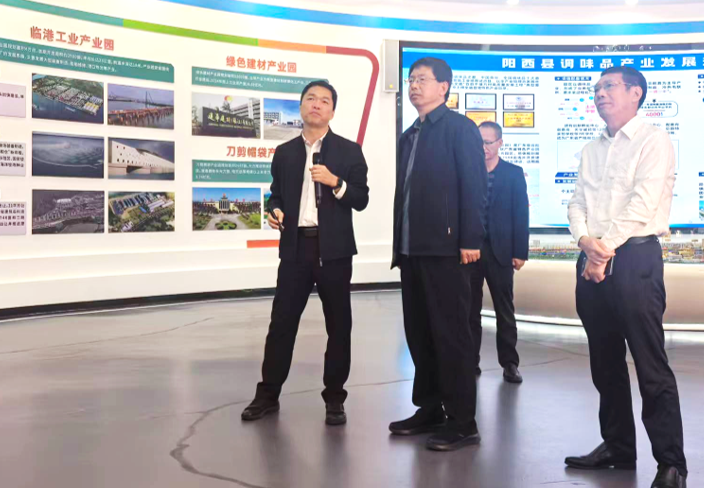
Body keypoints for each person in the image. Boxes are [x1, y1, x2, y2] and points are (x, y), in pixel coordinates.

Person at [565, 66, 686, 488]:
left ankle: (671, 464)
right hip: (592, 259)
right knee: (604, 363)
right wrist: (586, 242)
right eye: (597, 88)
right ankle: (617, 447)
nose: (600, 93)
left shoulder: (654, 141)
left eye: (609, 86)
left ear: (636, 93)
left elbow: (642, 204)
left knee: (650, 364)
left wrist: (602, 250)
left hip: (634, 259)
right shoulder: (590, 149)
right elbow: (576, 203)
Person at [241, 80, 369, 426]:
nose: (316, 104)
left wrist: (335, 182)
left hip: (335, 251)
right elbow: (277, 194)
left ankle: (335, 398)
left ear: (332, 111)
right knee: (281, 324)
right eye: (310, 98)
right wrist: (275, 209)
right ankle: (267, 395)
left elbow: (361, 198)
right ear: (300, 107)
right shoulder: (285, 152)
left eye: (324, 100)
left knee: (339, 326)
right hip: (295, 248)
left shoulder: (349, 151)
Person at [389, 57, 487, 451]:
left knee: (451, 336)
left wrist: (470, 239)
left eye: (422, 79)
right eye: (411, 79)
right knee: (420, 334)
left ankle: (463, 421)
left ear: (444, 87)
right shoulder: (409, 135)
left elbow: (475, 186)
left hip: (447, 251)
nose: (414, 85)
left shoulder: (460, 129)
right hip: (412, 250)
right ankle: (429, 409)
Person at [469, 121, 529, 383]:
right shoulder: (468, 171)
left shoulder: (513, 173)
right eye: (479, 142)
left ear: (500, 143)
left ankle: (510, 363)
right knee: (469, 310)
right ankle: (470, 361)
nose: (483, 147)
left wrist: (520, 251)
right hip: (470, 252)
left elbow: (521, 214)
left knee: (504, 310)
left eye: (488, 142)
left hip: (501, 252)